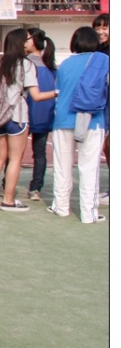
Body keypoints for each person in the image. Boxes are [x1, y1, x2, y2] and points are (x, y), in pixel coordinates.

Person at [0, 29, 57, 211]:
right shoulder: (26, 64)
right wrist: (57, 93)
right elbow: (36, 96)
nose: (29, 42)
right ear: (21, 43)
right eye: (27, 39)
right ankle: (8, 200)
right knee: (15, 159)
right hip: (16, 117)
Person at [49, 27, 109, 223]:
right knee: (89, 168)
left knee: (62, 166)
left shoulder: (65, 64)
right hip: (92, 119)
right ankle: (88, 213)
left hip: (63, 120)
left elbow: (58, 92)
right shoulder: (104, 61)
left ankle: (61, 207)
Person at [92, 12, 109, 203]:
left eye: (104, 27)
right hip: (102, 103)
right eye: (97, 28)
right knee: (106, 146)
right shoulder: (97, 51)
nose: (100, 31)